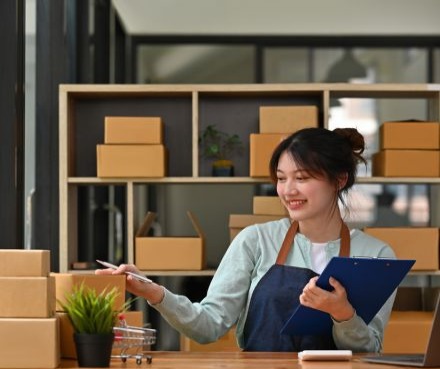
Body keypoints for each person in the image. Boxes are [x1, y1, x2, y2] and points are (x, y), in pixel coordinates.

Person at [96, 127, 396, 352]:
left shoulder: (376, 255)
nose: (288, 190)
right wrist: (152, 291)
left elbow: (370, 349)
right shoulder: (256, 241)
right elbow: (208, 326)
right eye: (281, 178)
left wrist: (343, 314)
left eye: (302, 178)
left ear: (339, 180)